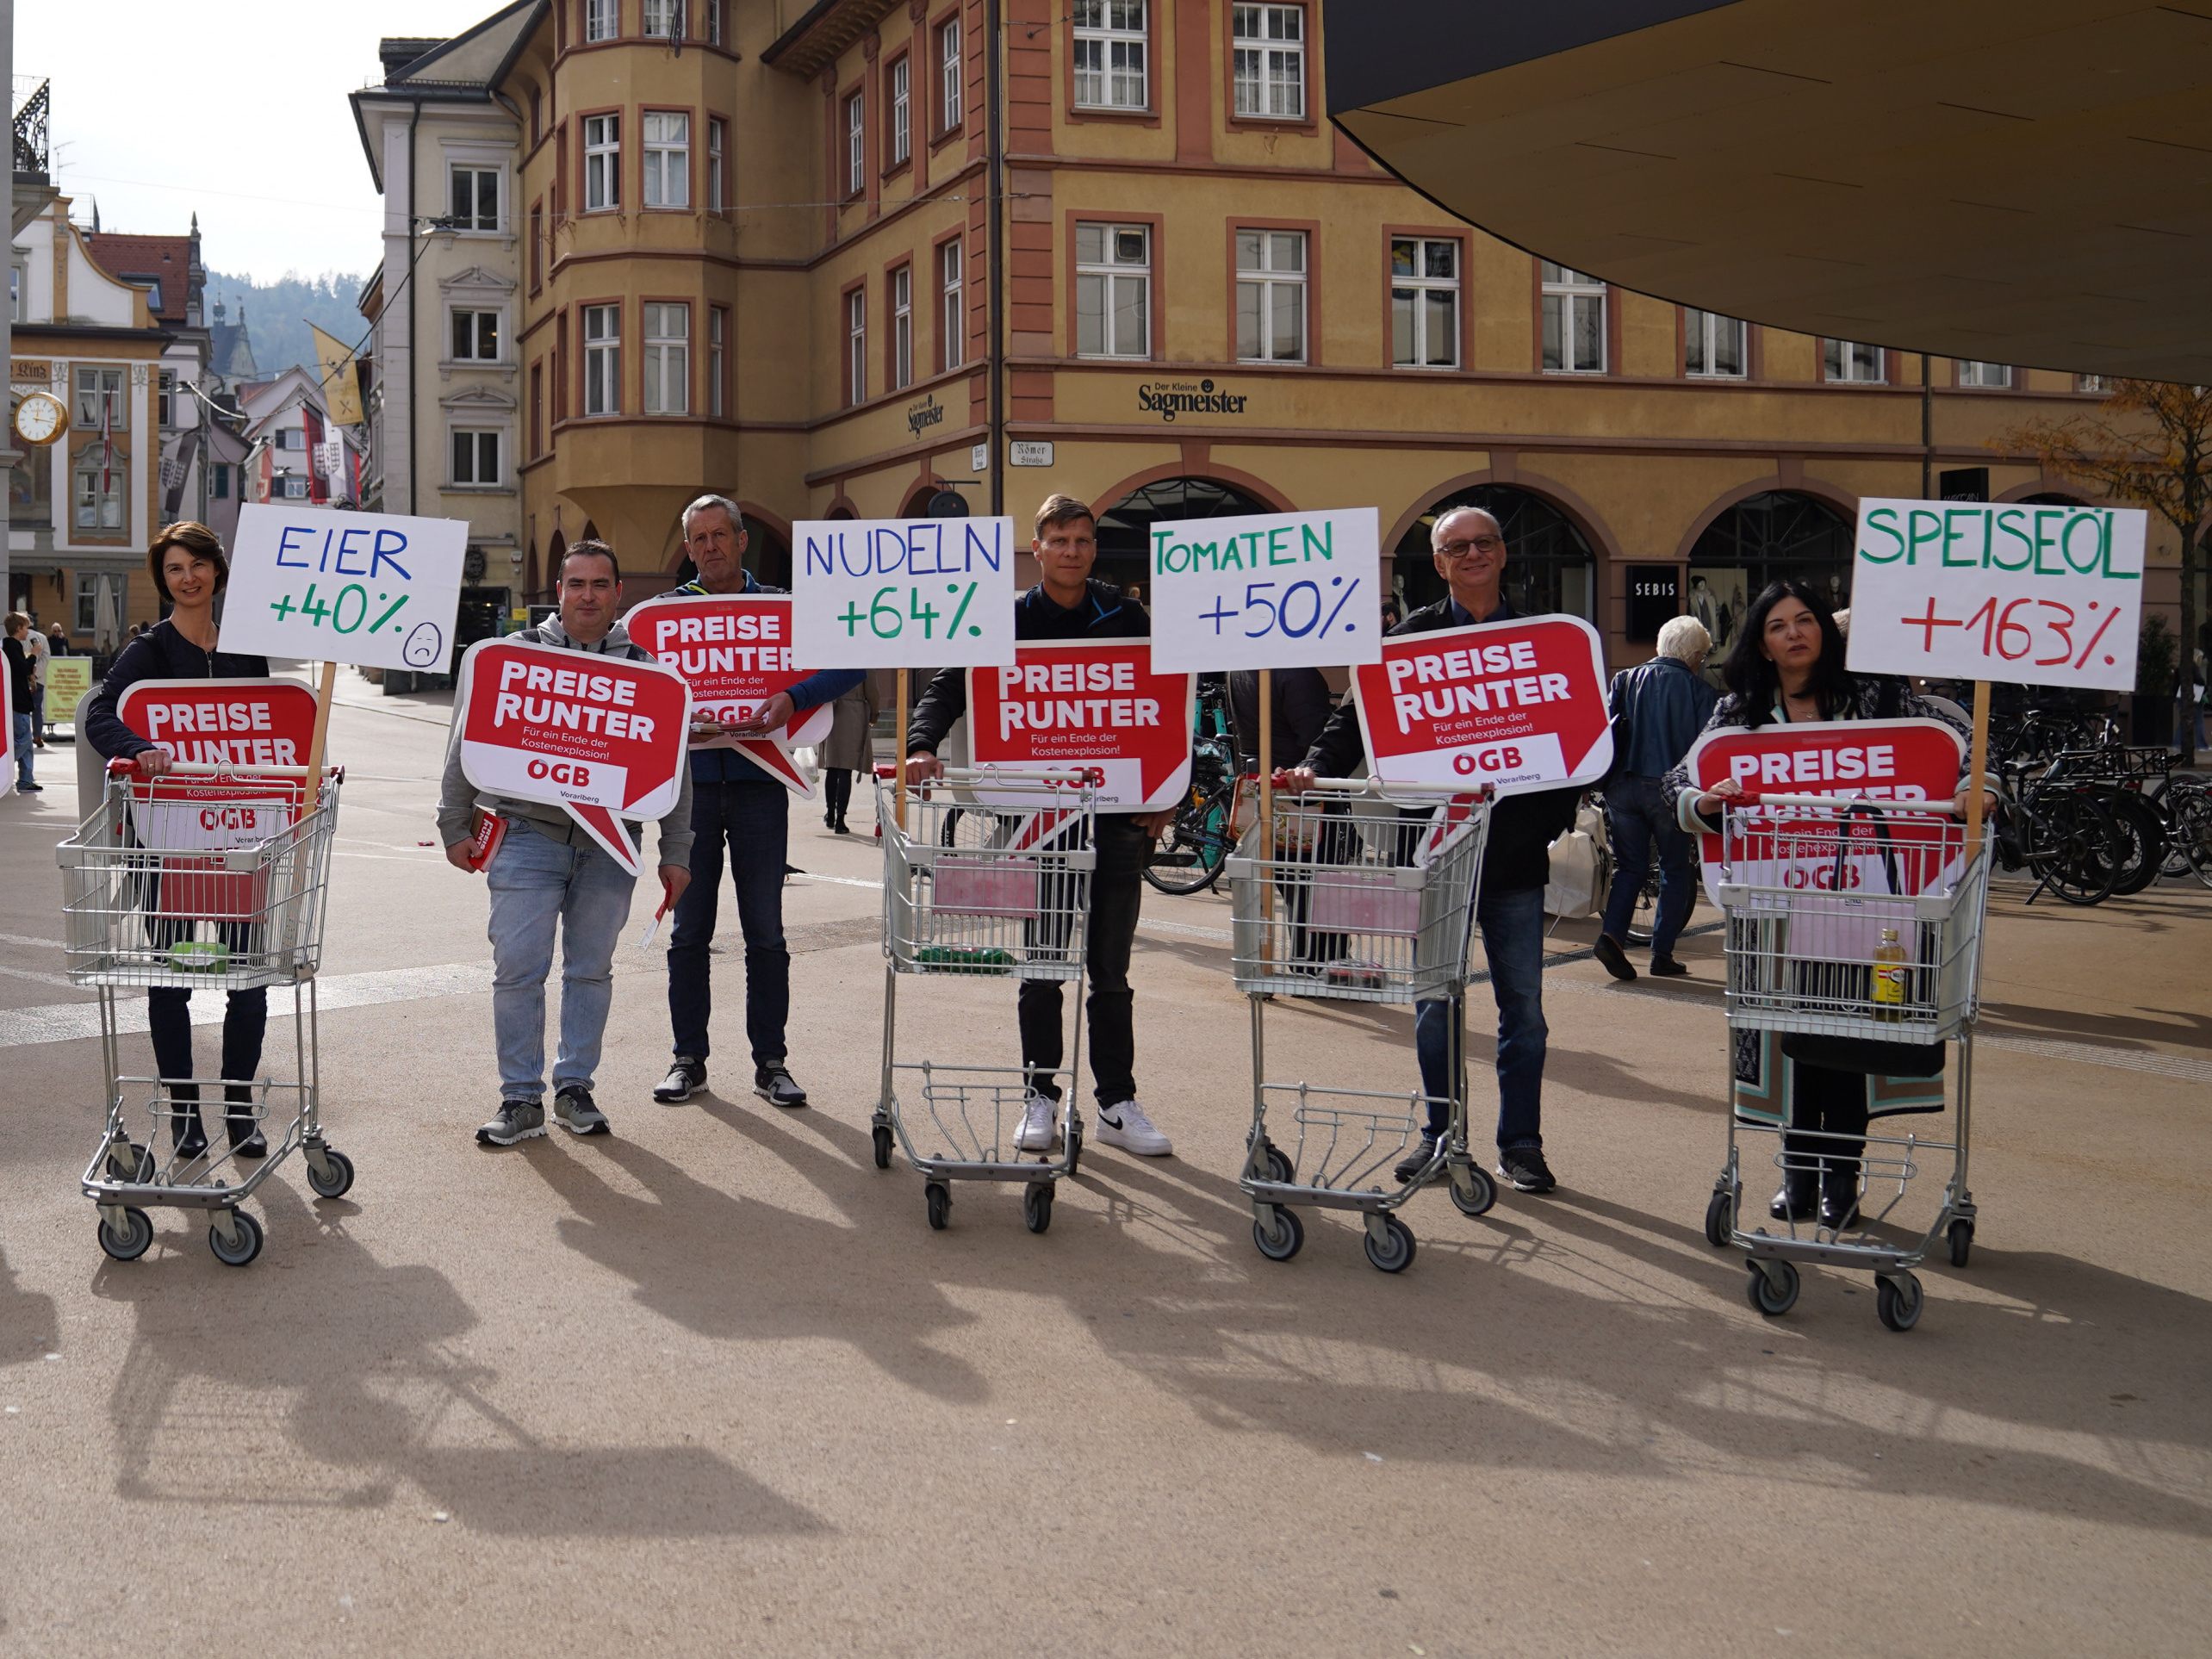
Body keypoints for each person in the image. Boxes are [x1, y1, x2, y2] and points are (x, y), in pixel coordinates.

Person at [1661, 579, 1995, 1228]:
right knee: (1796, 1048)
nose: (1794, 633)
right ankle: (1797, 1176)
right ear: (1761, 640)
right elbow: (1683, 780)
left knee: (1851, 1046)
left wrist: (1975, 791)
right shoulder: (1739, 711)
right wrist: (1705, 802)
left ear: (1825, 629)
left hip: (1875, 912)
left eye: (1805, 619)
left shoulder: (1879, 695)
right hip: (1781, 914)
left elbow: (1961, 748)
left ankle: (1842, 1181)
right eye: (1779, 625)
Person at [1283, 506, 1581, 1196]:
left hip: (1513, 862)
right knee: (1434, 1004)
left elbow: (1582, 746)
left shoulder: (1539, 635)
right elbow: (1352, 720)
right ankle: (1441, 1136)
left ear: (1503, 553)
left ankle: (1522, 1145)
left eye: (1484, 542)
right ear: (1440, 563)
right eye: (1457, 547)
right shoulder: (1409, 638)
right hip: (1437, 856)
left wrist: (1545, 819)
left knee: (1524, 1014)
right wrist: (1311, 765)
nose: (1473, 554)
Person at [902, 491, 1178, 1158]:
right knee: (1045, 964)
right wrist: (920, 743)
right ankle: (1040, 1097)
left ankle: (1116, 1101)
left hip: (1116, 818)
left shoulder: (1125, 614)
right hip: (1041, 819)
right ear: (1038, 549)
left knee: (1110, 971)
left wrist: (1170, 787)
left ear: (1092, 547)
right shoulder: (1006, 618)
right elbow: (949, 684)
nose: (1072, 552)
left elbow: (1171, 692)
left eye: (1083, 541)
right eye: (1059, 541)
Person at [438, 540, 696, 1146]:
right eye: (576, 584)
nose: (587, 596)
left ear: (617, 594)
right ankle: (520, 1099)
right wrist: (453, 822)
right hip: (526, 836)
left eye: (599, 585)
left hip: (612, 846)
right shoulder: (514, 656)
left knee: (590, 971)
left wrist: (676, 850)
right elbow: (467, 736)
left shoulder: (648, 672)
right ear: (558, 591)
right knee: (518, 971)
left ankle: (574, 1088)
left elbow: (673, 770)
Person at [652, 494, 864, 1109]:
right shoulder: (664, 617)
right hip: (687, 793)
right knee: (689, 933)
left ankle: (771, 1063)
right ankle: (687, 1059)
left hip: (759, 791)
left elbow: (848, 665)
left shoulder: (781, 607)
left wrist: (794, 699)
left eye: (721, 535)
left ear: (742, 541)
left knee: (765, 933)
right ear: (687, 549)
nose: (711, 547)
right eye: (699, 538)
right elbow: (636, 689)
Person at [81, 525, 273, 1158]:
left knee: (248, 980)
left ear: (217, 571)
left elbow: (276, 721)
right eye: (173, 570)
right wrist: (142, 750)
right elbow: (101, 715)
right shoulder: (151, 651)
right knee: (173, 981)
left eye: (196, 565)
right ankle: (186, 1114)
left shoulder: (248, 648)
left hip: (241, 842)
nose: (186, 578)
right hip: (168, 844)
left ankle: (240, 1110)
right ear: (163, 581)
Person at [1593, 615, 1718, 981]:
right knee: (1675, 869)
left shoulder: (1625, 679)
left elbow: (1604, 728)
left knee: (1630, 867)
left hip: (1623, 786)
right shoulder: (1700, 692)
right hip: (1668, 792)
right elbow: (1704, 750)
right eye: (1703, 657)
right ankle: (1661, 954)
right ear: (1694, 656)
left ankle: (1611, 936)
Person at [818, 674, 878, 834]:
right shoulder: (862, 659)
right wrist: (874, 714)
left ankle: (830, 814)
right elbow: (872, 690)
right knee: (846, 769)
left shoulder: (830, 658)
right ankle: (840, 820)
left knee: (832, 768)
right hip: (854, 714)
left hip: (831, 713)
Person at [4, 615, 37, 792]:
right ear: (18, 629)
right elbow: (22, 669)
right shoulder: (11, 646)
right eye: (26, 628)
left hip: (21, 700)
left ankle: (25, 780)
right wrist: (34, 655)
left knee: (27, 745)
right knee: (23, 740)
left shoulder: (13, 647)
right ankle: (4, 767)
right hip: (18, 702)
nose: (28, 631)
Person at [24, 618, 49, 749]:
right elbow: (46, 657)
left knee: (22, 709)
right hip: (38, 679)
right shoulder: (42, 638)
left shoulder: (20, 636)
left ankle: (24, 736)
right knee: (37, 708)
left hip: (22, 678)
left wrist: (28, 673)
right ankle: (37, 735)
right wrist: (36, 673)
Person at [41, 624, 69, 742]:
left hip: (62, 669)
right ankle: (50, 726)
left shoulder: (64, 640)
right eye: (55, 631)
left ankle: (53, 725)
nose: (57, 632)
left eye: (59, 630)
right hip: (52, 669)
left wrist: (63, 639)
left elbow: (69, 652)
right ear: (52, 631)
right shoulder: (49, 640)